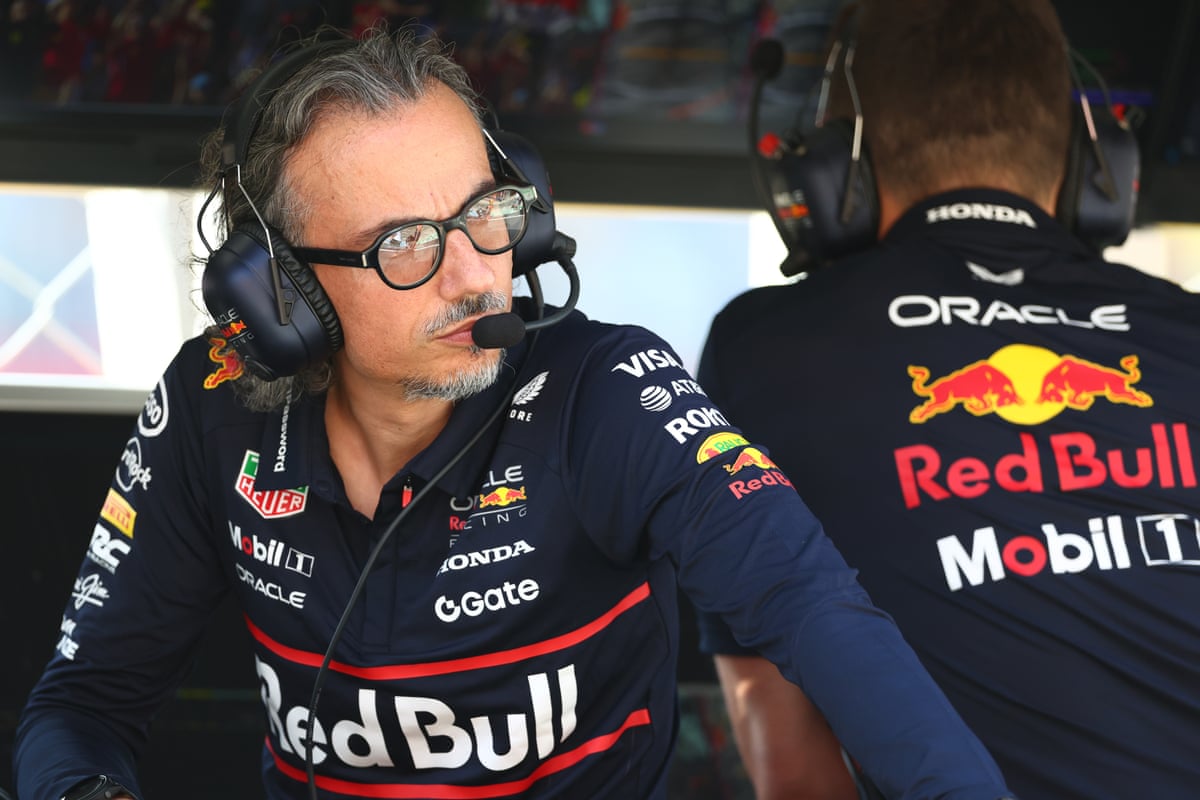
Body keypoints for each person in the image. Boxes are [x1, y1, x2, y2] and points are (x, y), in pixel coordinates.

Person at [13, 25, 1016, 800]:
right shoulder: (211, 405)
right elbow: (82, 703)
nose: (473, 275)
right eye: (405, 243)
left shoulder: (606, 391)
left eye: (485, 214)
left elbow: (814, 609)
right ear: (285, 294)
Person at [695, 1, 1200, 799]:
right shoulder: (1188, 329)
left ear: (838, 177)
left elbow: (791, 765)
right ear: (1097, 171)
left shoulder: (763, 347)